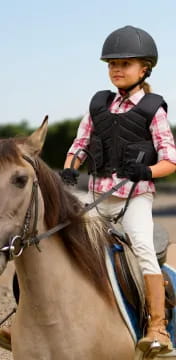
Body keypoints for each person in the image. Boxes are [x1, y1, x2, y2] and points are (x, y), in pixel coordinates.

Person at [60, 25, 176, 354]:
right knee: (57, 239)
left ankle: (157, 327)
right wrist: (70, 168)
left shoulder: (154, 109)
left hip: (134, 198)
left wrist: (147, 170)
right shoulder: (98, 105)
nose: (117, 70)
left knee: (142, 248)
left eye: (125, 64)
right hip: (97, 197)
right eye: (112, 64)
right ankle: (28, 313)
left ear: (144, 69)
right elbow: (80, 144)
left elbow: (171, 159)